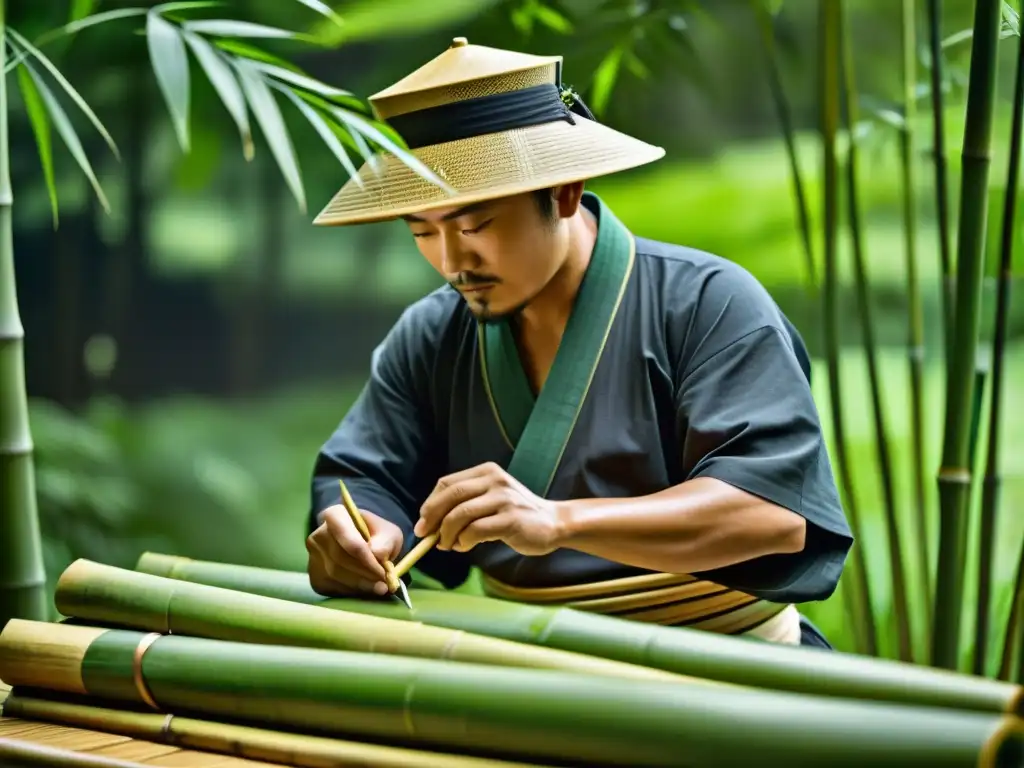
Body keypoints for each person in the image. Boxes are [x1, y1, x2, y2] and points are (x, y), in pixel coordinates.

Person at [304, 37, 853, 648]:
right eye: (422, 231)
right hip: (530, 684)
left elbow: (772, 512)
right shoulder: (430, 335)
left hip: (729, 674)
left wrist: (559, 521)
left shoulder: (709, 303)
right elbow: (362, 477)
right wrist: (358, 536)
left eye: (476, 224)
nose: (453, 260)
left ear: (565, 190)